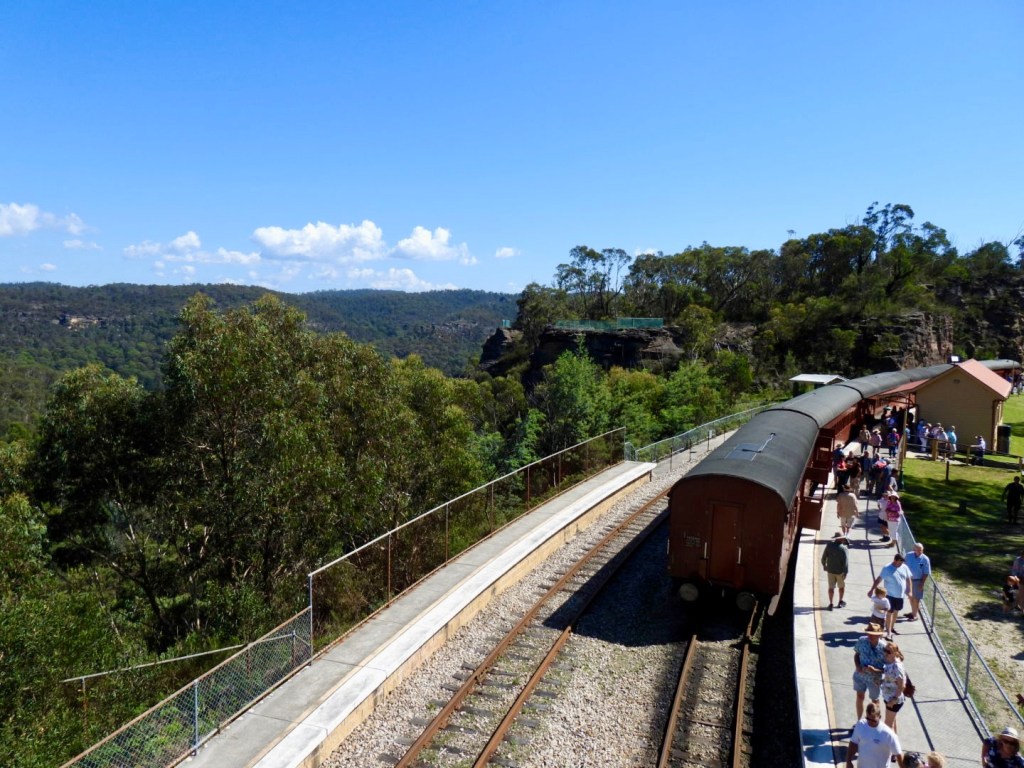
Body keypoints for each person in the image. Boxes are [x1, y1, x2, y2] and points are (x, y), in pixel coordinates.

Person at [868, 553, 912, 639]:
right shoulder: (887, 568)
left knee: (896, 612)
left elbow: (908, 579)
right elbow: (879, 579)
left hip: (900, 596)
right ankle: (888, 632)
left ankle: (891, 628)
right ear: (895, 560)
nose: (901, 565)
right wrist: (871, 590)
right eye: (899, 563)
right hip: (890, 595)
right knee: (889, 613)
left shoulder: (904, 567)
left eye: (902, 563)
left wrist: (910, 591)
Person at [847, 701, 903, 767]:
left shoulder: (888, 734)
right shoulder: (860, 725)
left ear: (879, 717)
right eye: (868, 719)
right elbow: (853, 743)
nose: (870, 722)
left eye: (874, 720)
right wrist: (849, 761)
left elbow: (899, 754)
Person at [852, 622, 887, 721]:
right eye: (869, 633)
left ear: (879, 635)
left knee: (875, 701)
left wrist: (875, 670)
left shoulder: (884, 648)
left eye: (873, 635)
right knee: (859, 697)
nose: (870, 636)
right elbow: (856, 655)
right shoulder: (862, 641)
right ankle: (859, 721)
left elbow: (888, 669)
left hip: (875, 679)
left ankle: (875, 722)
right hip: (860, 676)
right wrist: (858, 666)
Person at [881, 642, 907, 733]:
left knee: (888, 725)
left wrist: (894, 700)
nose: (886, 653)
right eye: (885, 650)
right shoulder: (889, 661)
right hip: (888, 697)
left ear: (895, 653)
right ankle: (894, 743)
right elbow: (891, 678)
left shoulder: (897, 666)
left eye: (889, 651)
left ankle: (888, 746)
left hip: (894, 700)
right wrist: (882, 681)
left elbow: (902, 685)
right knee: (892, 722)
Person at [903, 542, 931, 621]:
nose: (920, 552)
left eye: (921, 550)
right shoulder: (908, 555)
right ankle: (913, 612)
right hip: (908, 580)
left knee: (916, 599)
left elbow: (926, 573)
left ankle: (915, 616)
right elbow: (903, 565)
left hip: (918, 581)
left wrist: (922, 584)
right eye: (918, 550)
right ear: (914, 549)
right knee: (910, 597)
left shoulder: (925, 559)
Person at [822, 532, 850, 610]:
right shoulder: (844, 549)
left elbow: (824, 557)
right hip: (839, 572)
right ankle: (840, 602)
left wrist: (824, 565)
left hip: (830, 570)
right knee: (841, 587)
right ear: (840, 539)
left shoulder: (829, 545)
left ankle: (831, 604)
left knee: (831, 588)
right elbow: (845, 562)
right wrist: (845, 572)